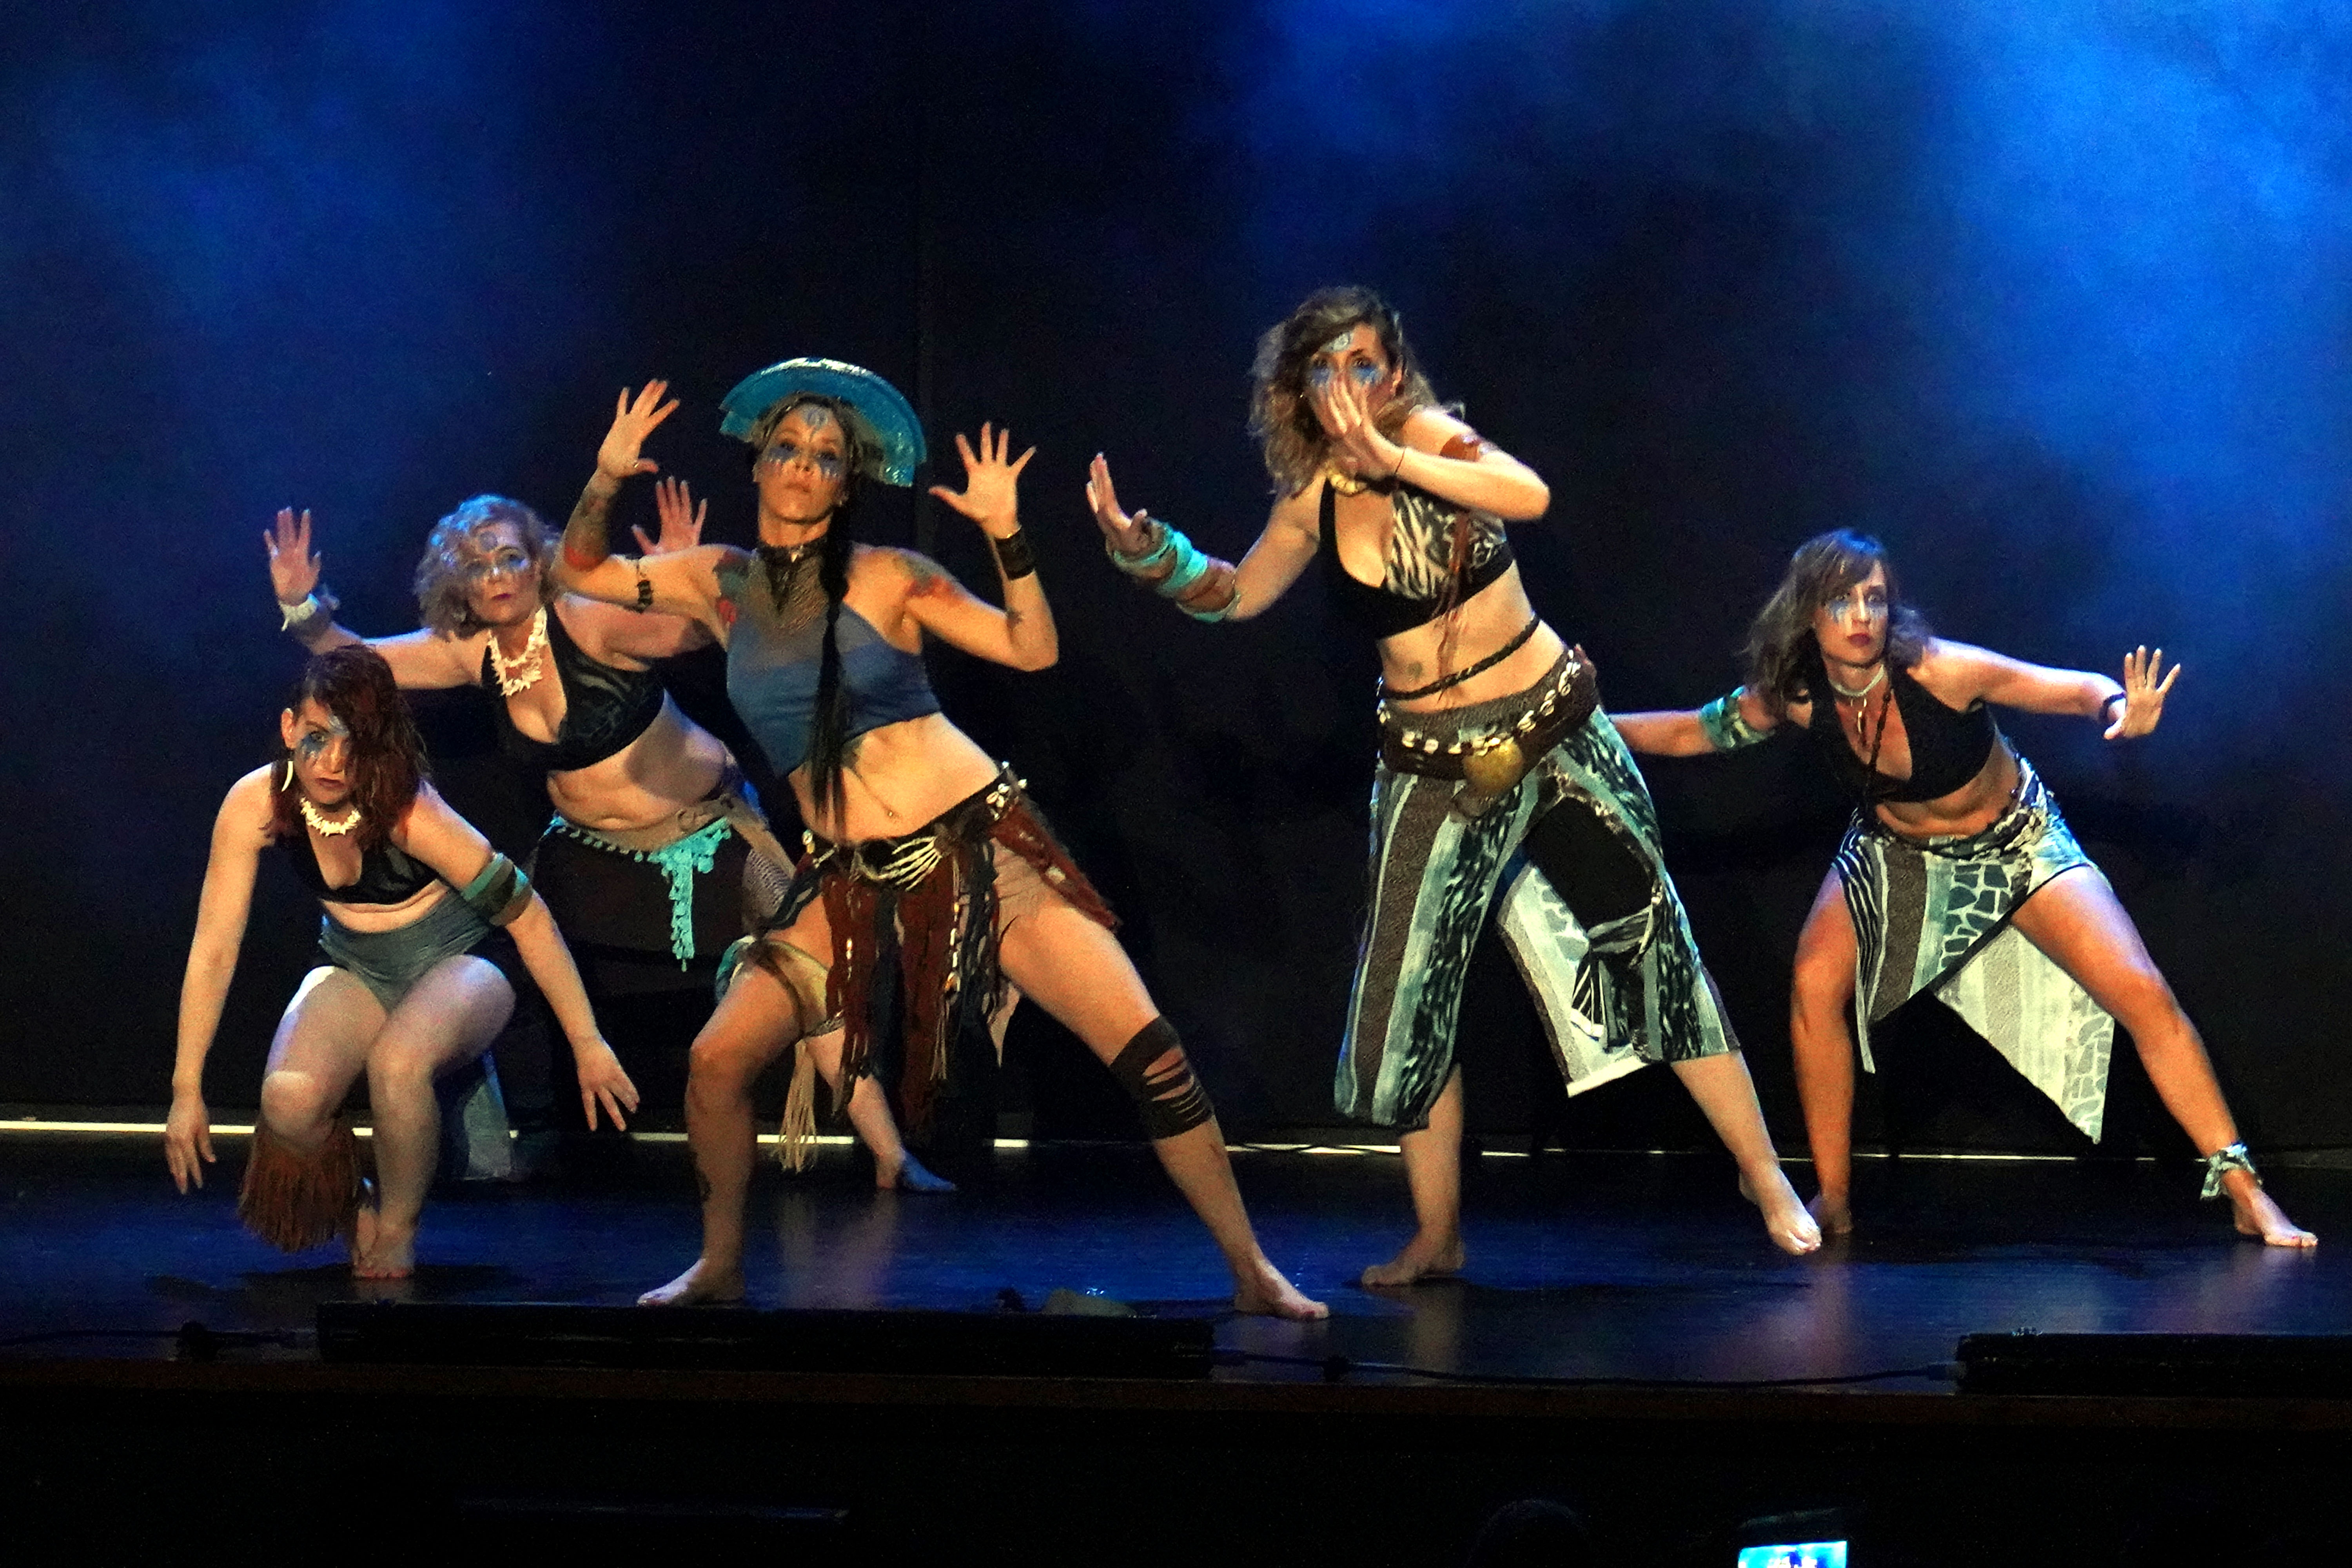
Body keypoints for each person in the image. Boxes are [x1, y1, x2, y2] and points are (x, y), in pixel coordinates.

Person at [553, 361, 1326, 1316]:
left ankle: (1253, 1270)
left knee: (1151, 1055)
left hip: (979, 852)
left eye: (826, 456)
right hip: (848, 878)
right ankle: (720, 1264)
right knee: (716, 1063)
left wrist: (1007, 536)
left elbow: (1032, 647)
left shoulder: (892, 577)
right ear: (758, 463)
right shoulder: (717, 580)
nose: (803, 466)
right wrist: (606, 477)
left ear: (847, 482)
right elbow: (576, 571)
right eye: (788, 448)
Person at [1087, 286, 1820, 1286]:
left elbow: (1530, 494)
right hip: (1431, 767)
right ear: (1297, 389)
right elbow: (1239, 593)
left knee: (1653, 942)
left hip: (1554, 734)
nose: (1347, 384)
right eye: (1324, 368)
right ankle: (1438, 1235)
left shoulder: (1435, 441)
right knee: (1411, 1000)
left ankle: (1764, 1174)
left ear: (1394, 372)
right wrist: (1151, 554)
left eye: (1364, 363)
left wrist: (1394, 457)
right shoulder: (1312, 499)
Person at [1610, 528, 2312, 1245]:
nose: (1862, 617)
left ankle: (2245, 1193)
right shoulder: (1797, 695)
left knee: (2142, 992)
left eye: (1874, 599)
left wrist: (2118, 711)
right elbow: (1697, 731)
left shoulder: (1942, 671)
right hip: (1897, 853)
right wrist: (1598, 728)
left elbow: (2074, 690)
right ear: (1808, 614)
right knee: (1815, 983)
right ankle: (1835, 1199)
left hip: (2015, 844)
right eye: (1841, 602)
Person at [264, 483, 949, 1191]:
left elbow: (694, 632)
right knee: (503, 954)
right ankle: (497, 1129)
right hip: (590, 852)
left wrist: (681, 584)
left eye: (509, 558)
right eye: (477, 566)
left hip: (707, 836)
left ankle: (890, 1154)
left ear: (539, 563)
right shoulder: (474, 654)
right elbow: (358, 666)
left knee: (807, 966)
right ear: (457, 587)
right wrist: (303, 607)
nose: (497, 576)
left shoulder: (586, 621)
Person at [163, 646, 640, 1277]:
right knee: (287, 1102)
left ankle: (398, 1228)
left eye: (354, 744)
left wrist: (587, 1041)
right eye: (317, 737)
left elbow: (527, 915)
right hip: (358, 965)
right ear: (289, 728)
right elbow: (216, 946)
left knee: (398, 1064)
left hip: (464, 961)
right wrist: (186, 1088)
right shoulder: (256, 803)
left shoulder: (410, 812)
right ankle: (360, 1209)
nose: (333, 762)